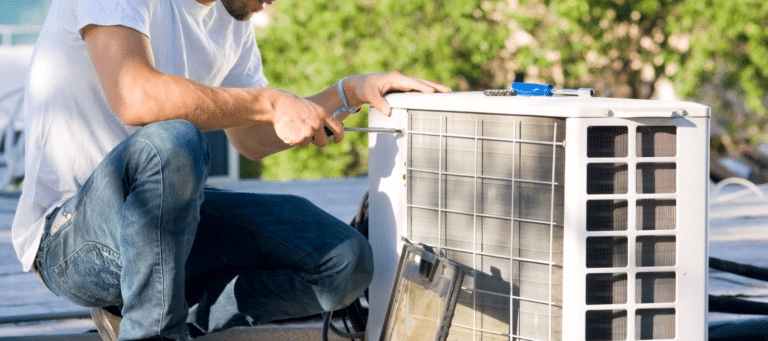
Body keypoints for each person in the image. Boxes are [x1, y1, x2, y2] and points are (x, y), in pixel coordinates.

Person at [11, 0, 451, 339]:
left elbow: (254, 138)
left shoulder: (231, 24)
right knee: (175, 140)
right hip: (69, 239)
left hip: (172, 223)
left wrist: (348, 92)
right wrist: (270, 102)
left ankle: (160, 309)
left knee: (346, 261)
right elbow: (135, 96)